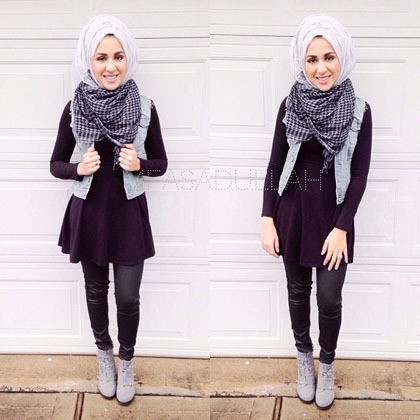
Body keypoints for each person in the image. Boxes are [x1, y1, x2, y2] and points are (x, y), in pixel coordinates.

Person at [50, 15, 167, 405]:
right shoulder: (75, 108)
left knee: (128, 297)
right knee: (96, 290)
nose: (111, 66)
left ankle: (127, 360)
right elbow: (55, 164)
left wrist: (140, 164)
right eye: (101, 57)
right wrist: (78, 169)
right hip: (89, 215)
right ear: (89, 60)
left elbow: (162, 163)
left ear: (128, 58)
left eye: (118, 56)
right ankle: (105, 356)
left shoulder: (145, 108)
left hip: (129, 215)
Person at [261, 14, 372, 409]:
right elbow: (275, 165)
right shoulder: (290, 104)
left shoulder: (358, 110)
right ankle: (303, 358)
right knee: (297, 291)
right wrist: (267, 217)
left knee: (328, 297)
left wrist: (342, 228)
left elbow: (359, 175)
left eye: (329, 57)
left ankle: (327, 363)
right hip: (292, 213)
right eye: (312, 59)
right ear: (301, 62)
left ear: (342, 58)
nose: (321, 68)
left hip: (333, 220)